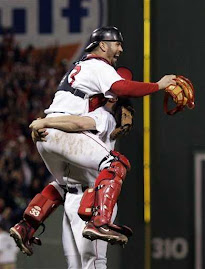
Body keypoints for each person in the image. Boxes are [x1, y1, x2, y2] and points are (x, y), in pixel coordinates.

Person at [10, 25, 176, 251]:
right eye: (117, 44)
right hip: (59, 131)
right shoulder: (98, 65)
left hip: (46, 138)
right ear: (103, 45)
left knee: (64, 185)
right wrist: (159, 85)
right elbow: (120, 88)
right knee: (116, 164)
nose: (120, 49)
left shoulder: (79, 71)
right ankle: (99, 222)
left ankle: (26, 226)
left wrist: (44, 123)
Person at [11, 96, 133, 269]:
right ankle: (28, 224)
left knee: (94, 263)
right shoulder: (82, 112)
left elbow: (79, 123)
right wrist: (43, 127)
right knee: (75, 265)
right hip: (71, 195)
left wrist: (45, 122)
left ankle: (28, 224)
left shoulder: (103, 115)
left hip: (92, 197)